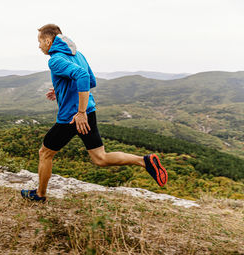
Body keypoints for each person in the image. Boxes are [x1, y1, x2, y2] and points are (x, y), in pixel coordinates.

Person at [21, 24, 168, 202]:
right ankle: (144, 161)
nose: (39, 46)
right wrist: (61, 89)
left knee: (45, 153)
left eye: (39, 42)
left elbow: (83, 77)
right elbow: (91, 80)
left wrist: (80, 112)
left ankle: (39, 194)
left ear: (47, 40)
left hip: (72, 117)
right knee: (100, 158)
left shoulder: (55, 59)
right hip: (89, 112)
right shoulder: (78, 55)